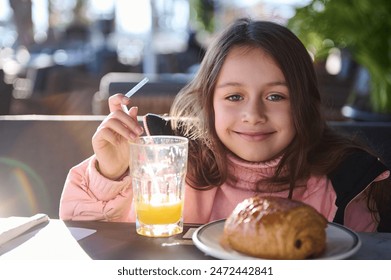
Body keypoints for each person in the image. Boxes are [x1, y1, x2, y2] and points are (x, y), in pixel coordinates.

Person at [59, 18, 391, 232]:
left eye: (276, 97)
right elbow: (85, 235)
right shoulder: (172, 172)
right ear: (209, 104)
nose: (253, 114)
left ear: (303, 104)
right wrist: (111, 173)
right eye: (234, 97)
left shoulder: (347, 183)